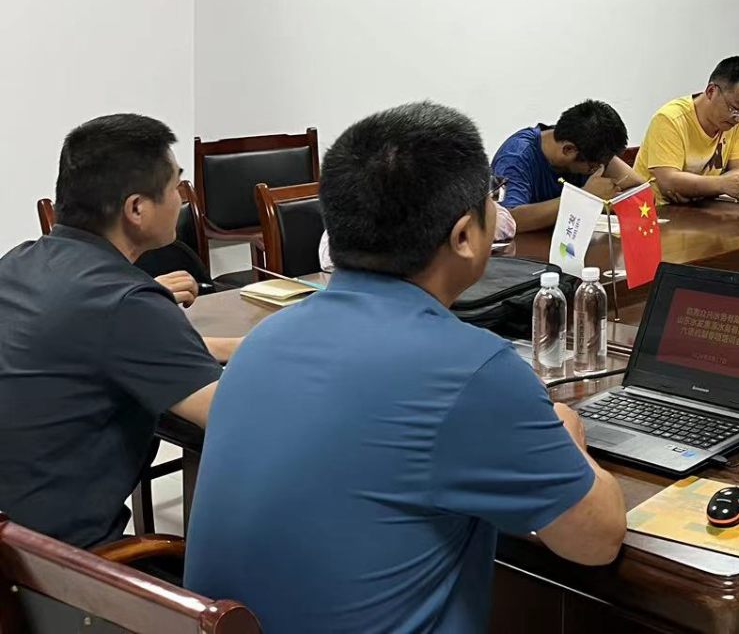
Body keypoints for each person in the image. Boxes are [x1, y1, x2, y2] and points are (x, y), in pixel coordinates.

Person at [184, 102, 625, 631]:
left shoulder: (264, 340)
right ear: (465, 236)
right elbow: (597, 540)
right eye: (493, 199)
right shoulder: (474, 372)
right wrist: (568, 434)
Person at [0, 115, 236, 548]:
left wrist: (234, 346)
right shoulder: (127, 303)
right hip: (56, 564)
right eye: (176, 187)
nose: (182, 199)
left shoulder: (20, 261)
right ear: (137, 209)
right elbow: (235, 415)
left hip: (13, 533)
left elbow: (96, 344)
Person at [492, 101, 646, 232]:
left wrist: (610, 200)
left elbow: (641, 189)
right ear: (568, 150)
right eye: (593, 167)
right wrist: (583, 197)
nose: (598, 169)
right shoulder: (516, 157)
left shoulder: (588, 145)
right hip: (524, 251)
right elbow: (507, 220)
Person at [637, 57, 739, 203]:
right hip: (658, 210)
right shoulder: (670, 119)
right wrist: (720, 184)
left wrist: (696, 188)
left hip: (700, 206)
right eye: (735, 108)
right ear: (711, 91)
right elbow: (668, 181)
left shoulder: (734, 121)